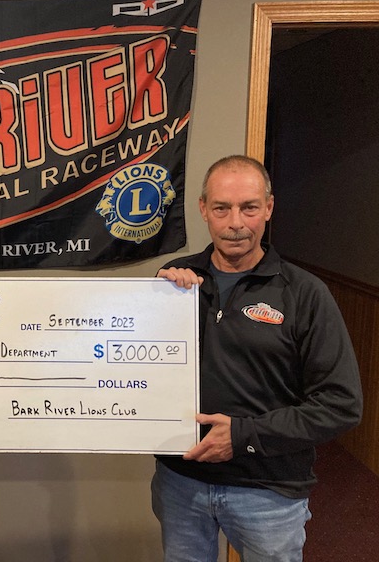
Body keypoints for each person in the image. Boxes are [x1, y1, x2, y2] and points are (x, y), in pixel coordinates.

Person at [151, 155, 363, 561]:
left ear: (268, 208)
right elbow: (138, 368)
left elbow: (341, 404)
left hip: (267, 491)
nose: (235, 223)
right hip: (181, 482)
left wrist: (243, 437)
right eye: (221, 208)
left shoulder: (304, 293)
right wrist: (146, 305)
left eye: (249, 207)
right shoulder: (175, 282)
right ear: (203, 210)